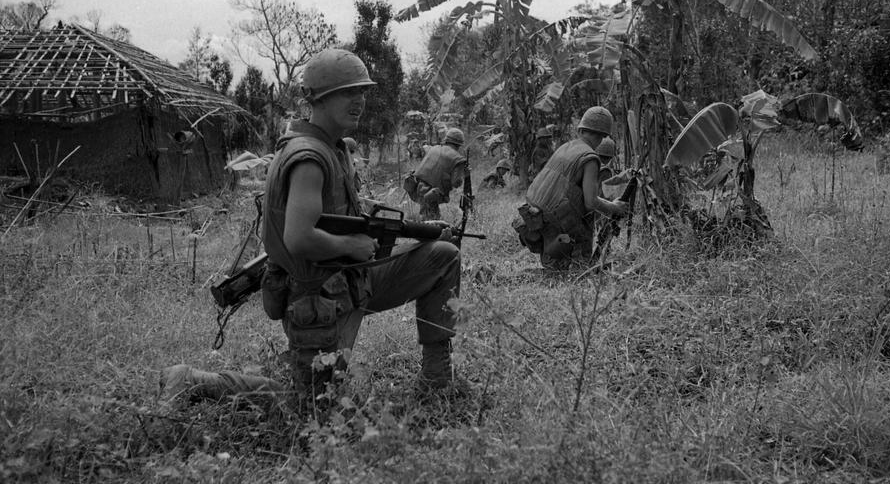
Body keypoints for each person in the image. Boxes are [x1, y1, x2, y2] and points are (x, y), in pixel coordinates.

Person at [161, 49, 461, 408]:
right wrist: (352, 246)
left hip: (350, 282)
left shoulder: (333, 149)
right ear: (318, 98)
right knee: (313, 407)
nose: (360, 100)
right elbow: (299, 238)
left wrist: (418, 229)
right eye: (348, 92)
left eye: (363, 91)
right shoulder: (309, 158)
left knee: (443, 256)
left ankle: (437, 380)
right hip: (317, 298)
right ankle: (194, 381)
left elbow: (348, 212)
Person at [513, 106, 628, 269]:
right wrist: (614, 207)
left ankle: (556, 262)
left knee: (557, 264)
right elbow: (590, 202)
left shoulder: (565, 147)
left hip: (536, 213)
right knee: (579, 268)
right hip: (559, 220)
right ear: (602, 136)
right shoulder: (590, 158)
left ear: (581, 129)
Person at [410, 127, 467, 221]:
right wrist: (464, 174)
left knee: (429, 217)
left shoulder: (434, 148)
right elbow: (456, 183)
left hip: (418, 188)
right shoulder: (458, 159)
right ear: (459, 144)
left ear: (447, 140)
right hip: (433, 194)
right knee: (431, 224)